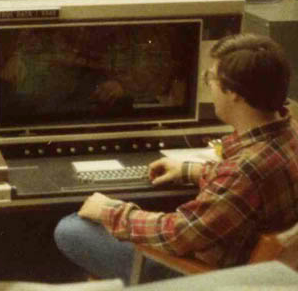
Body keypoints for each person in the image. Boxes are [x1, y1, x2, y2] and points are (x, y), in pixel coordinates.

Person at [54, 33, 298, 284]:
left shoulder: (244, 170)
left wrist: (110, 211)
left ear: (235, 92)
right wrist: (191, 170)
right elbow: (244, 190)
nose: (209, 86)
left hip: (206, 276)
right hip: (261, 270)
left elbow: (179, 235)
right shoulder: (289, 133)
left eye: (210, 78)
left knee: (72, 228)